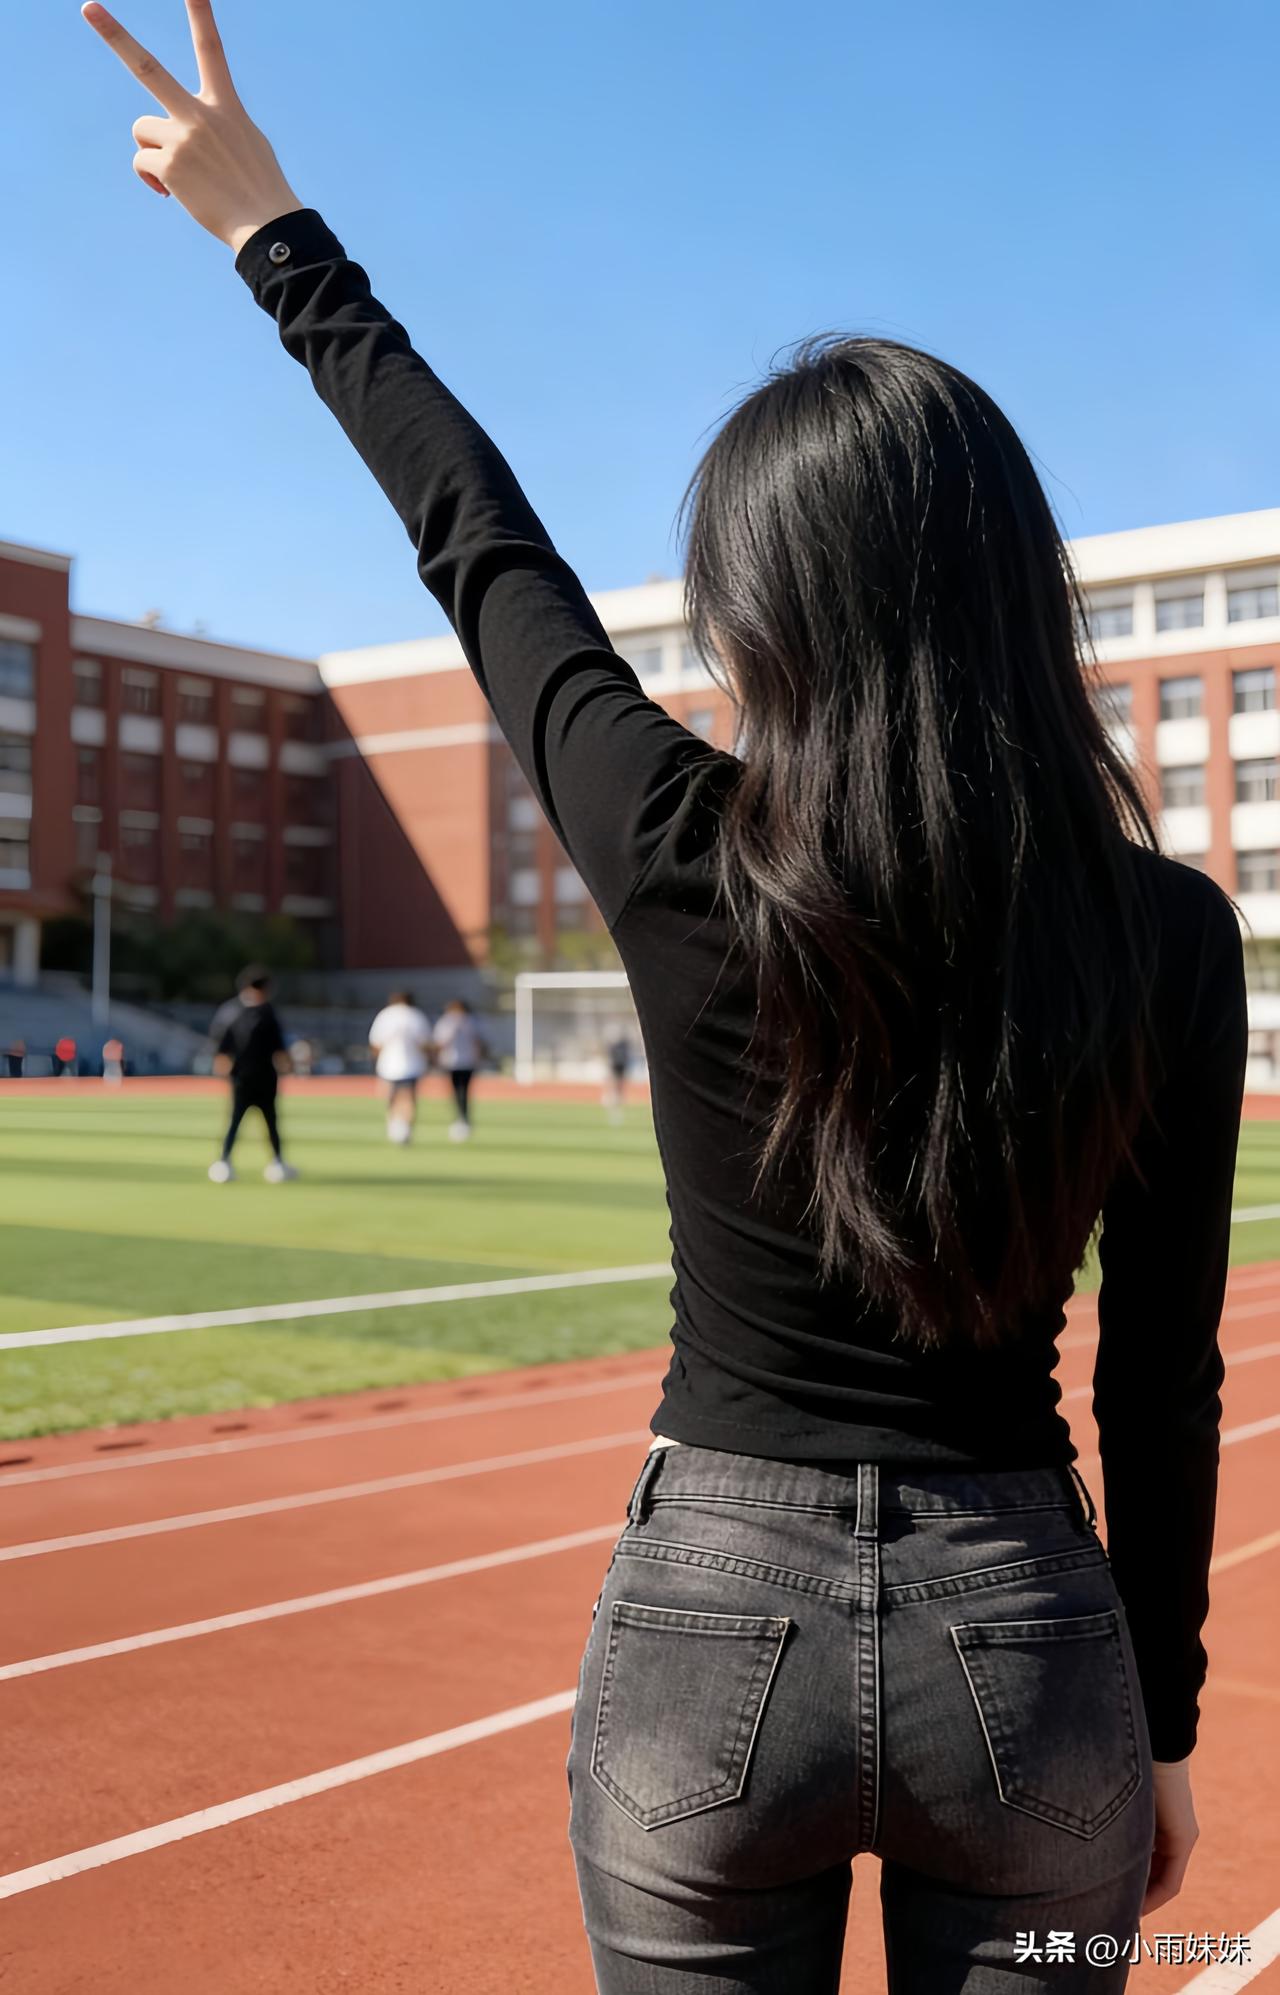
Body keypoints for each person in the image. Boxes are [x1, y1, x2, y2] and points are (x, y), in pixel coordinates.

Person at [83, 12, 1250, 1986]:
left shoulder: (668, 832)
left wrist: (268, 226)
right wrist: (1153, 1719)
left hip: (708, 1626)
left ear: (759, 611)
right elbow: (1160, 1370)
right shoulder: (1165, 931)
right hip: (1027, 1636)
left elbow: (477, 538)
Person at [207, 964, 297, 1183]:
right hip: (263, 1077)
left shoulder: (230, 1011)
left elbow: (220, 1048)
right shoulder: (268, 1013)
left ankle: (224, 1162)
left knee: (238, 1120)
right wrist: (288, 1067)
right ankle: (277, 1164)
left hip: (241, 1078)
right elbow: (279, 1048)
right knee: (267, 1122)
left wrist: (222, 1069)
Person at [368, 989, 433, 1144]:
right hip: (412, 1064)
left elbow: (376, 1042)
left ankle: (394, 1125)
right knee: (409, 1097)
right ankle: (405, 1128)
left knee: (392, 1097)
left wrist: (375, 1060)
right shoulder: (416, 1016)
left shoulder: (386, 1015)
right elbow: (424, 1043)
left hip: (389, 1064)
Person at [430, 998, 489, 1142]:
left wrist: (434, 1058)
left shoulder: (448, 1021)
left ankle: (462, 1119)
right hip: (465, 1062)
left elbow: (441, 1042)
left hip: (455, 1062)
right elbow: (480, 1042)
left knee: (459, 1091)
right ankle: (463, 1119)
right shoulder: (471, 1021)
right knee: (463, 1091)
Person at [602, 1032, 632, 1124]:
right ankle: (611, 1101)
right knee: (615, 1089)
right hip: (616, 1069)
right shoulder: (616, 1049)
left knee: (618, 1090)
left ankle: (614, 1102)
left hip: (619, 1069)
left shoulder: (622, 1047)